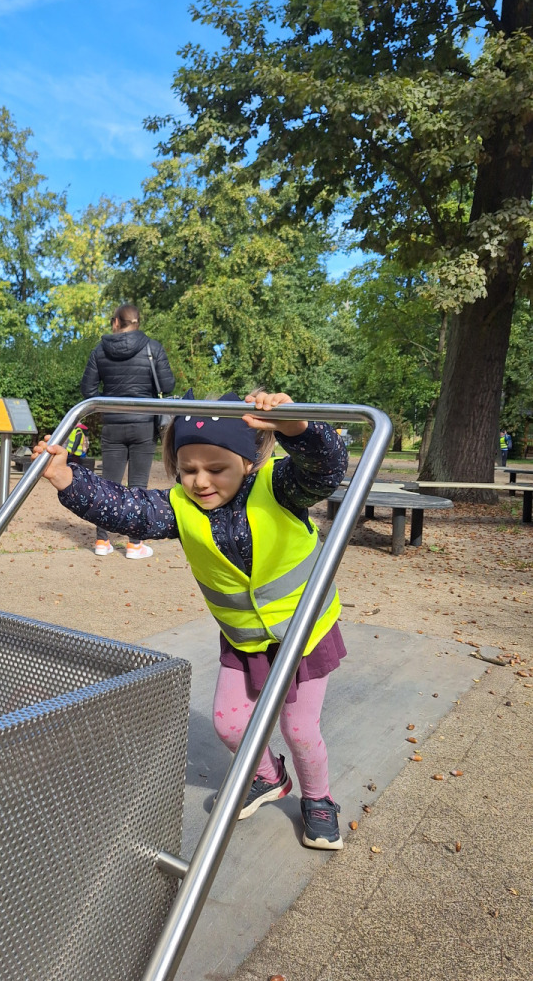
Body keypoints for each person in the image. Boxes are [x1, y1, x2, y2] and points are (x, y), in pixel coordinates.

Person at [33, 390, 349, 850]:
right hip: (244, 639)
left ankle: (318, 798)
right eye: (188, 469)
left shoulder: (280, 486)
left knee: (299, 730)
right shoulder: (179, 506)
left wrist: (297, 428)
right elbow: (127, 508)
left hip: (305, 632)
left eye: (216, 469)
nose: (201, 481)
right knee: (229, 724)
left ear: (248, 462)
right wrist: (67, 478)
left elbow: (325, 470)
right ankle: (268, 776)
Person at [79, 303, 174, 558]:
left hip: (112, 424)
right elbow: (167, 385)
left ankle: (102, 541)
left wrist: (108, 402)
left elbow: (87, 390)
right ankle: (134, 544)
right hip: (144, 425)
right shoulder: (153, 348)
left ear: (115, 323)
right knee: (138, 486)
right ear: (138, 322)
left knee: (107, 485)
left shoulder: (99, 350)